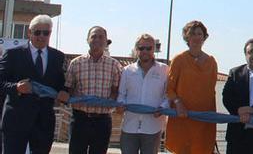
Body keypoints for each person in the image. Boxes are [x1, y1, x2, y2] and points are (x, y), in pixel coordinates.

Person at [0, 14, 69, 154]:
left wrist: (64, 91)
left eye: (46, 32)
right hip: (16, 120)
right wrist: (16, 88)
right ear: (29, 32)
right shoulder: (13, 54)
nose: (41, 36)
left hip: (44, 122)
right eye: (37, 32)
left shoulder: (58, 57)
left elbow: (61, 84)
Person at [65, 26, 123, 154]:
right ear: (87, 40)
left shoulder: (114, 66)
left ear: (106, 41)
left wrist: (111, 101)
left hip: (102, 121)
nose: (97, 39)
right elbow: (68, 88)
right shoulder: (75, 63)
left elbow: (115, 90)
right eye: (93, 36)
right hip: (80, 119)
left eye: (101, 37)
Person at [165, 20, 218, 154]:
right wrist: (178, 102)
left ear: (204, 37)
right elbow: (169, 88)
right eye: (192, 34)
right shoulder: (179, 60)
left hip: (204, 120)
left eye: (199, 34)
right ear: (187, 37)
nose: (196, 37)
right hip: (182, 118)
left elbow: (211, 92)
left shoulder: (211, 62)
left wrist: (212, 117)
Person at [117, 34, 168, 154]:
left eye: (148, 48)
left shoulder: (164, 70)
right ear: (136, 49)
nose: (145, 51)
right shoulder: (127, 71)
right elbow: (121, 95)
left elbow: (167, 96)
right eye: (141, 48)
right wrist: (121, 105)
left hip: (153, 128)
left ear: (154, 49)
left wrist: (163, 107)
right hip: (129, 126)